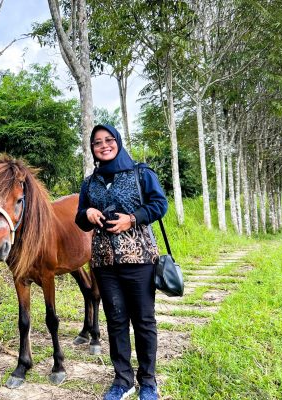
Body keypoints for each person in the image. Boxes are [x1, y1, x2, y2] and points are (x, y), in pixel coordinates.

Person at [75, 124, 168, 400]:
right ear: (92, 149)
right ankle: (123, 379)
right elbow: (79, 218)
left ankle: (148, 381)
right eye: (97, 143)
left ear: (118, 142)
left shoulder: (141, 172)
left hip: (139, 259)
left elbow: (159, 204)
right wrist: (88, 212)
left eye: (108, 140)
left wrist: (133, 218)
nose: (103, 145)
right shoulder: (90, 183)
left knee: (143, 320)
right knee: (115, 321)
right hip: (104, 263)